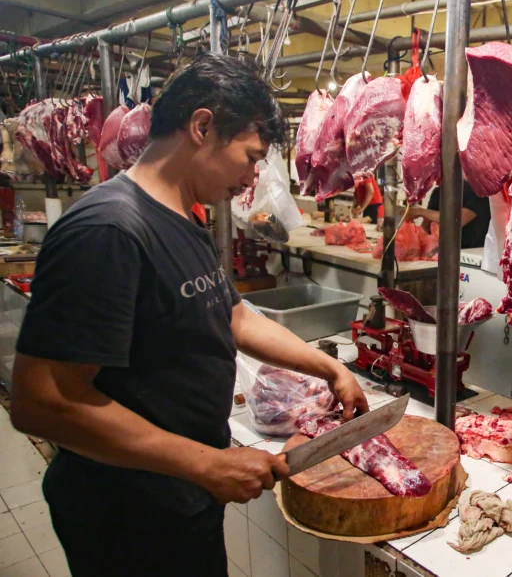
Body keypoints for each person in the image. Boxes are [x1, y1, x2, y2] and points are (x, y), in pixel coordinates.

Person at [10, 53, 369, 577]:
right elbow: (41, 401)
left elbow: (233, 316)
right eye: (251, 156)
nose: (252, 177)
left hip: (177, 498)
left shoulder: (181, 215)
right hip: (126, 513)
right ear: (202, 127)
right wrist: (208, 463)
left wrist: (329, 367)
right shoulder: (108, 230)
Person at [406, 180, 491, 249]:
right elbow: (426, 226)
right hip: (442, 253)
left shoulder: (479, 193)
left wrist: (420, 212)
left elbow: (457, 220)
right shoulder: (438, 192)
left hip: (472, 252)